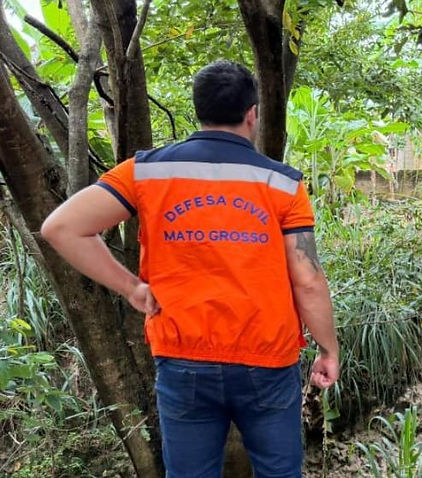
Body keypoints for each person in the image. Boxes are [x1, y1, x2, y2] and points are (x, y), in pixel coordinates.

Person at [40, 60, 340, 477]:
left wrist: (130, 287)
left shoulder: (148, 171)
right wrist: (329, 349)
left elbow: (61, 228)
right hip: (267, 362)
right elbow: (306, 278)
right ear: (252, 113)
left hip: (183, 358)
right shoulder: (283, 183)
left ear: (198, 110)